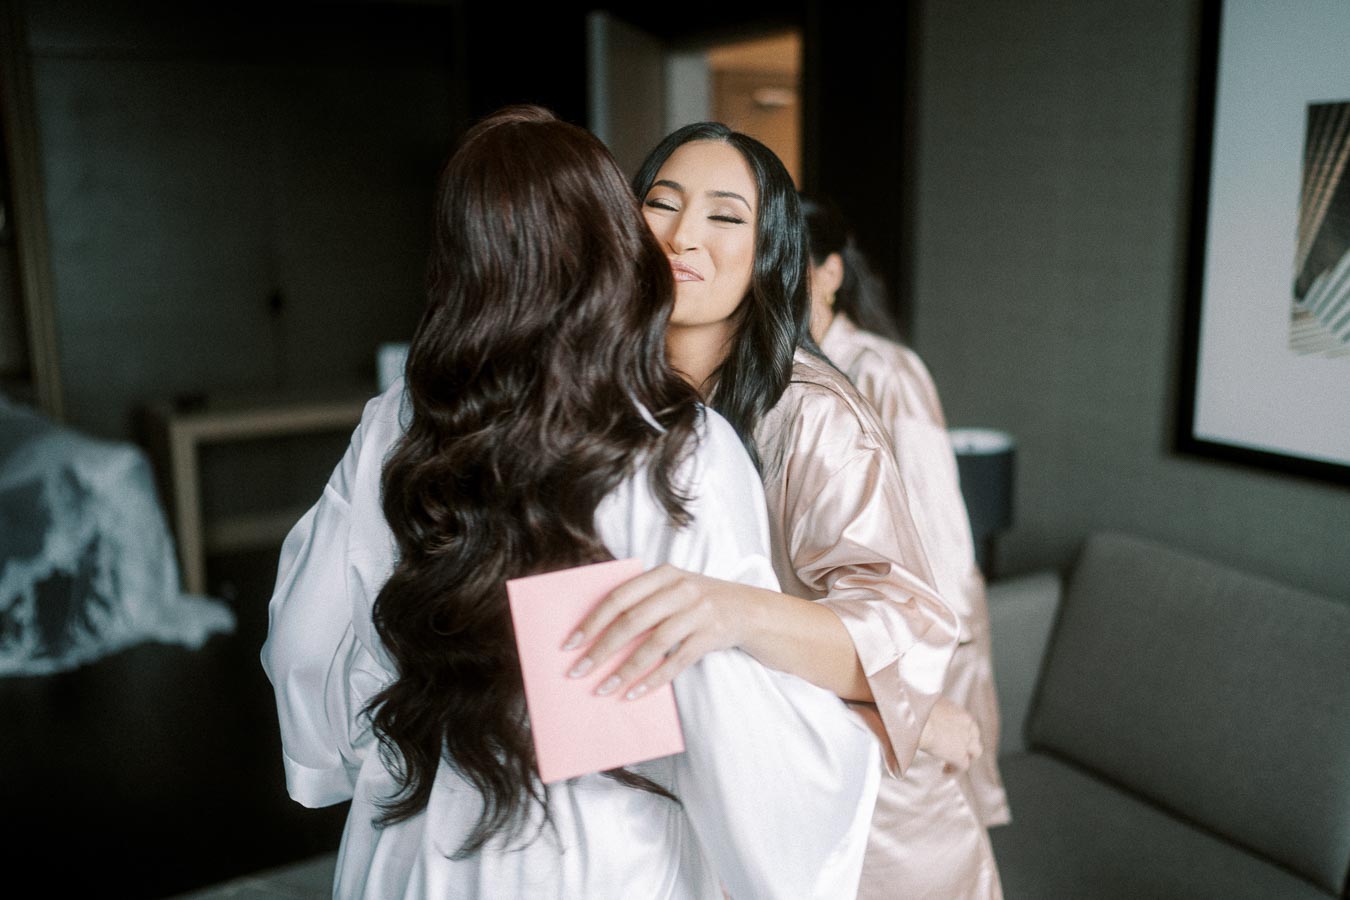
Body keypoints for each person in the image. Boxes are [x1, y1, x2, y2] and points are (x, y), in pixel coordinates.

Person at [260, 106, 881, 899]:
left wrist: (347, 760)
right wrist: (844, 746)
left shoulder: (397, 420)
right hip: (599, 847)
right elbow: (726, 702)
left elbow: (305, 643)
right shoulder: (677, 443)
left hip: (412, 832)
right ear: (612, 246)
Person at [563, 123, 1002, 899]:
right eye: (660, 204)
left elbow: (901, 624)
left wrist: (729, 610)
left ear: (771, 252)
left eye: (725, 216)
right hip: (683, 793)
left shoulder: (812, 413)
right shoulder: (600, 395)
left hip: (848, 813)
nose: (682, 235)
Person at [802, 193, 1011, 830]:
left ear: (830, 273)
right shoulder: (783, 372)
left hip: (922, 635)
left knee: (932, 827)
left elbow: (938, 519)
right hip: (846, 638)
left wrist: (937, 654)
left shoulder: (884, 371)